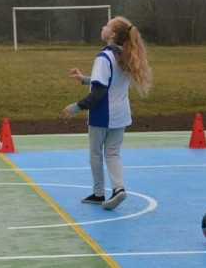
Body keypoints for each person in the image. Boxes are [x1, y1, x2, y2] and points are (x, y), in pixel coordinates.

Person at [62, 16, 153, 210]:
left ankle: (98, 193)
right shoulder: (126, 55)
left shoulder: (104, 57)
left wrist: (77, 106)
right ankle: (119, 189)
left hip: (102, 114)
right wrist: (84, 79)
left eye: (107, 25)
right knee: (113, 154)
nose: (103, 27)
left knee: (96, 154)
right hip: (121, 115)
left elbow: (100, 91)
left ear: (111, 34)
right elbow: (111, 81)